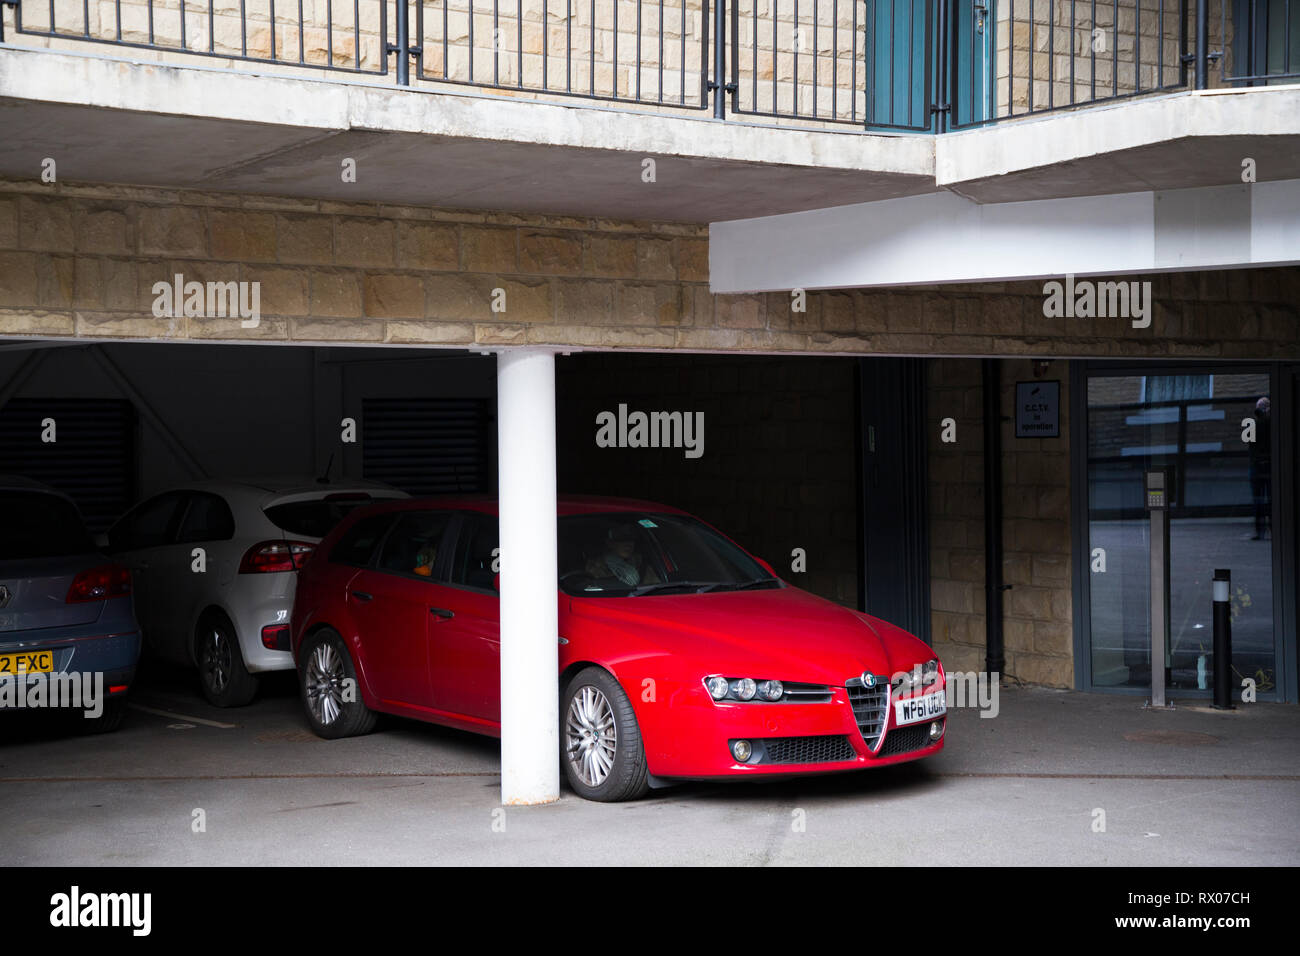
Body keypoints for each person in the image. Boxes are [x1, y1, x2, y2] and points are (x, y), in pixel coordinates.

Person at [585, 524, 661, 587]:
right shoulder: (595, 566)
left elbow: (654, 587)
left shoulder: (642, 565)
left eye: (631, 539)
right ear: (610, 543)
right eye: (621, 539)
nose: (628, 545)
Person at [1248, 396, 1271, 540]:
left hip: (1257, 466)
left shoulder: (1252, 424)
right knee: (1270, 499)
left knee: (1259, 500)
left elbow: (1249, 443)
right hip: (1266, 465)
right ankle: (1271, 529)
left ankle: (1259, 531)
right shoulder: (1272, 424)